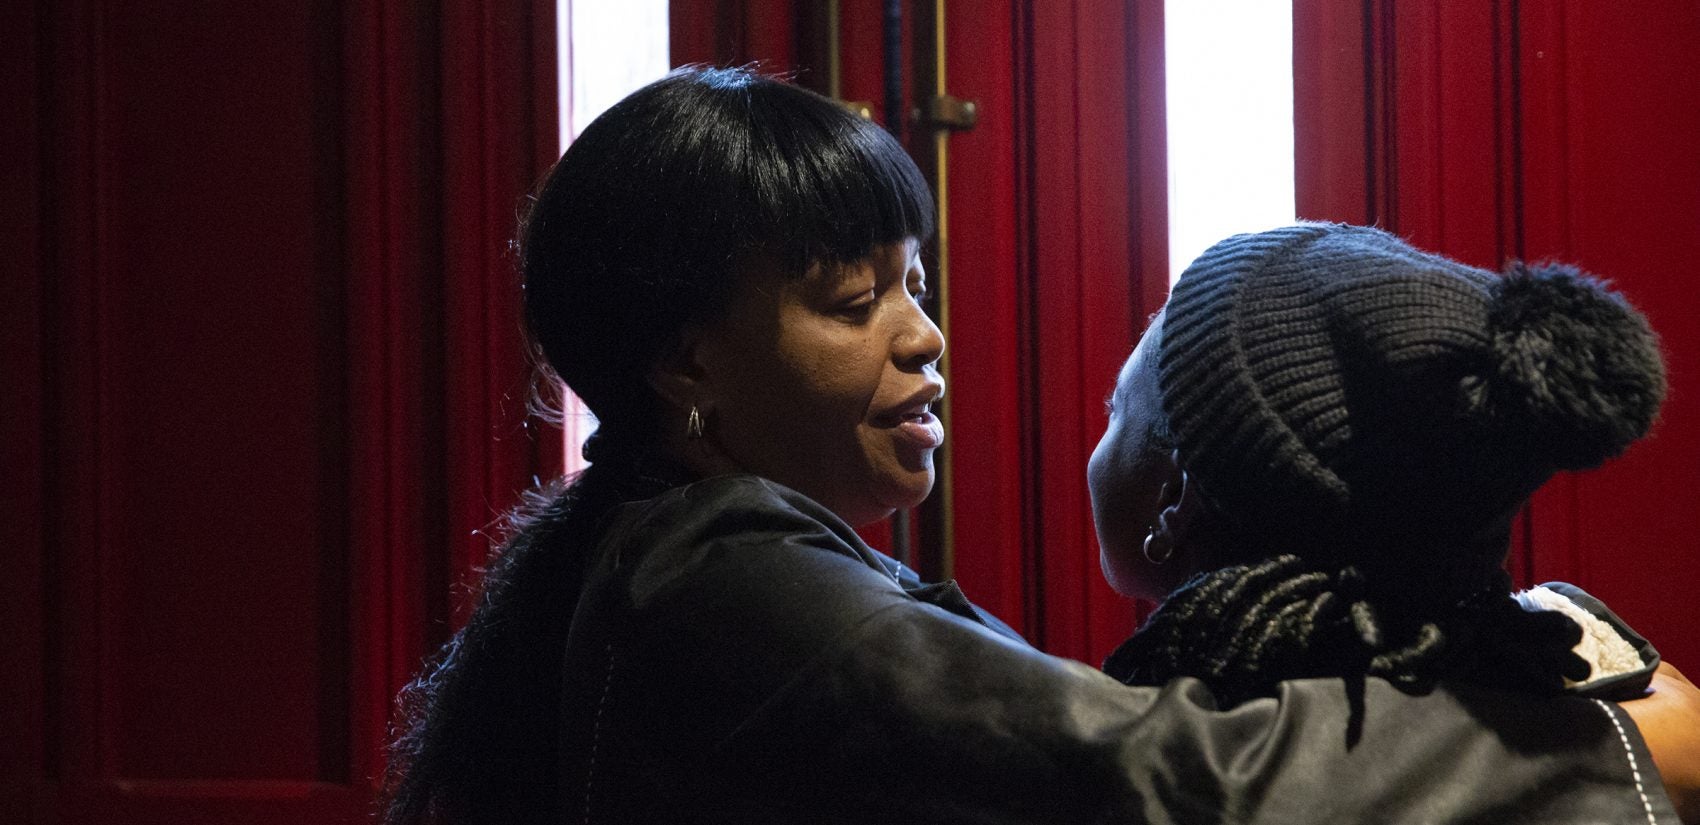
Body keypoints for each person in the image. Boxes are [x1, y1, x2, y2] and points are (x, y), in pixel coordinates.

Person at [380, 69, 1691, 824]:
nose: (923, 340)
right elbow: (1129, 772)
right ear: (685, 362)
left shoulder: (686, 558)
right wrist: (1620, 750)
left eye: (918, 287)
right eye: (854, 303)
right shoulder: (715, 572)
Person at [1090, 222, 1700, 821]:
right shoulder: (1605, 694)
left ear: (1174, 497)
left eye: (1116, 409)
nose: (1101, 435)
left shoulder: (1161, 764)